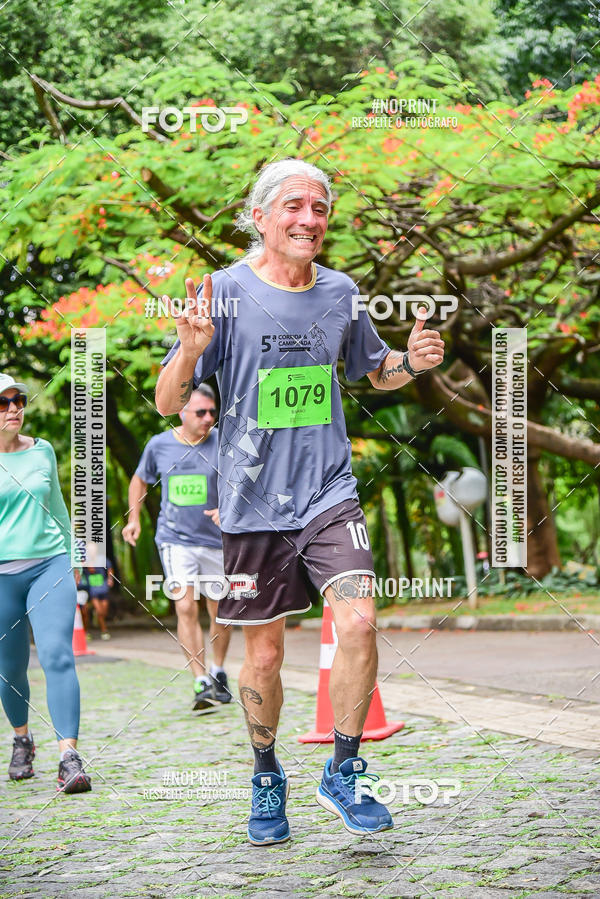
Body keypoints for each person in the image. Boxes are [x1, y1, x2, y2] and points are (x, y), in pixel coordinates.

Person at [155, 158, 444, 844]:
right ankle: (265, 773)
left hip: (328, 492)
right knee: (262, 659)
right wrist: (189, 353)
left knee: (363, 619)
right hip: (253, 504)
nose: (308, 218)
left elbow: (375, 371)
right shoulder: (222, 292)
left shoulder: (342, 292)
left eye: (318, 207)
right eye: (292, 206)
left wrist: (415, 362)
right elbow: (169, 401)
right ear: (260, 217)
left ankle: (345, 767)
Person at [0, 373, 91, 793]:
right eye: (2, 403)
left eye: (17, 400)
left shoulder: (42, 451)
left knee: (57, 655)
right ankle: (22, 738)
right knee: (10, 669)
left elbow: (57, 505)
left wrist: (75, 556)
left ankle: (68, 756)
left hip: (49, 565)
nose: (14, 408)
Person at [122, 384, 232, 710]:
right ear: (182, 412)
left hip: (216, 541)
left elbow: (243, 479)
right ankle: (200, 680)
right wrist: (134, 519)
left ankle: (219, 670)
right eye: (201, 412)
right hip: (175, 539)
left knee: (220, 611)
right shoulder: (159, 445)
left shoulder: (222, 442)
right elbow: (139, 480)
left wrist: (228, 508)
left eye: (212, 412)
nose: (208, 418)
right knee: (185, 606)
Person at [78, 544, 114, 640]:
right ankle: (104, 631)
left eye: (93, 550)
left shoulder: (102, 560)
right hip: (93, 590)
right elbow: (78, 567)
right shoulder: (86, 561)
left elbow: (109, 568)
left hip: (103, 588)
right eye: (89, 550)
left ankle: (96, 616)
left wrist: (110, 579)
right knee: (99, 611)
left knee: (104, 612)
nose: (92, 551)